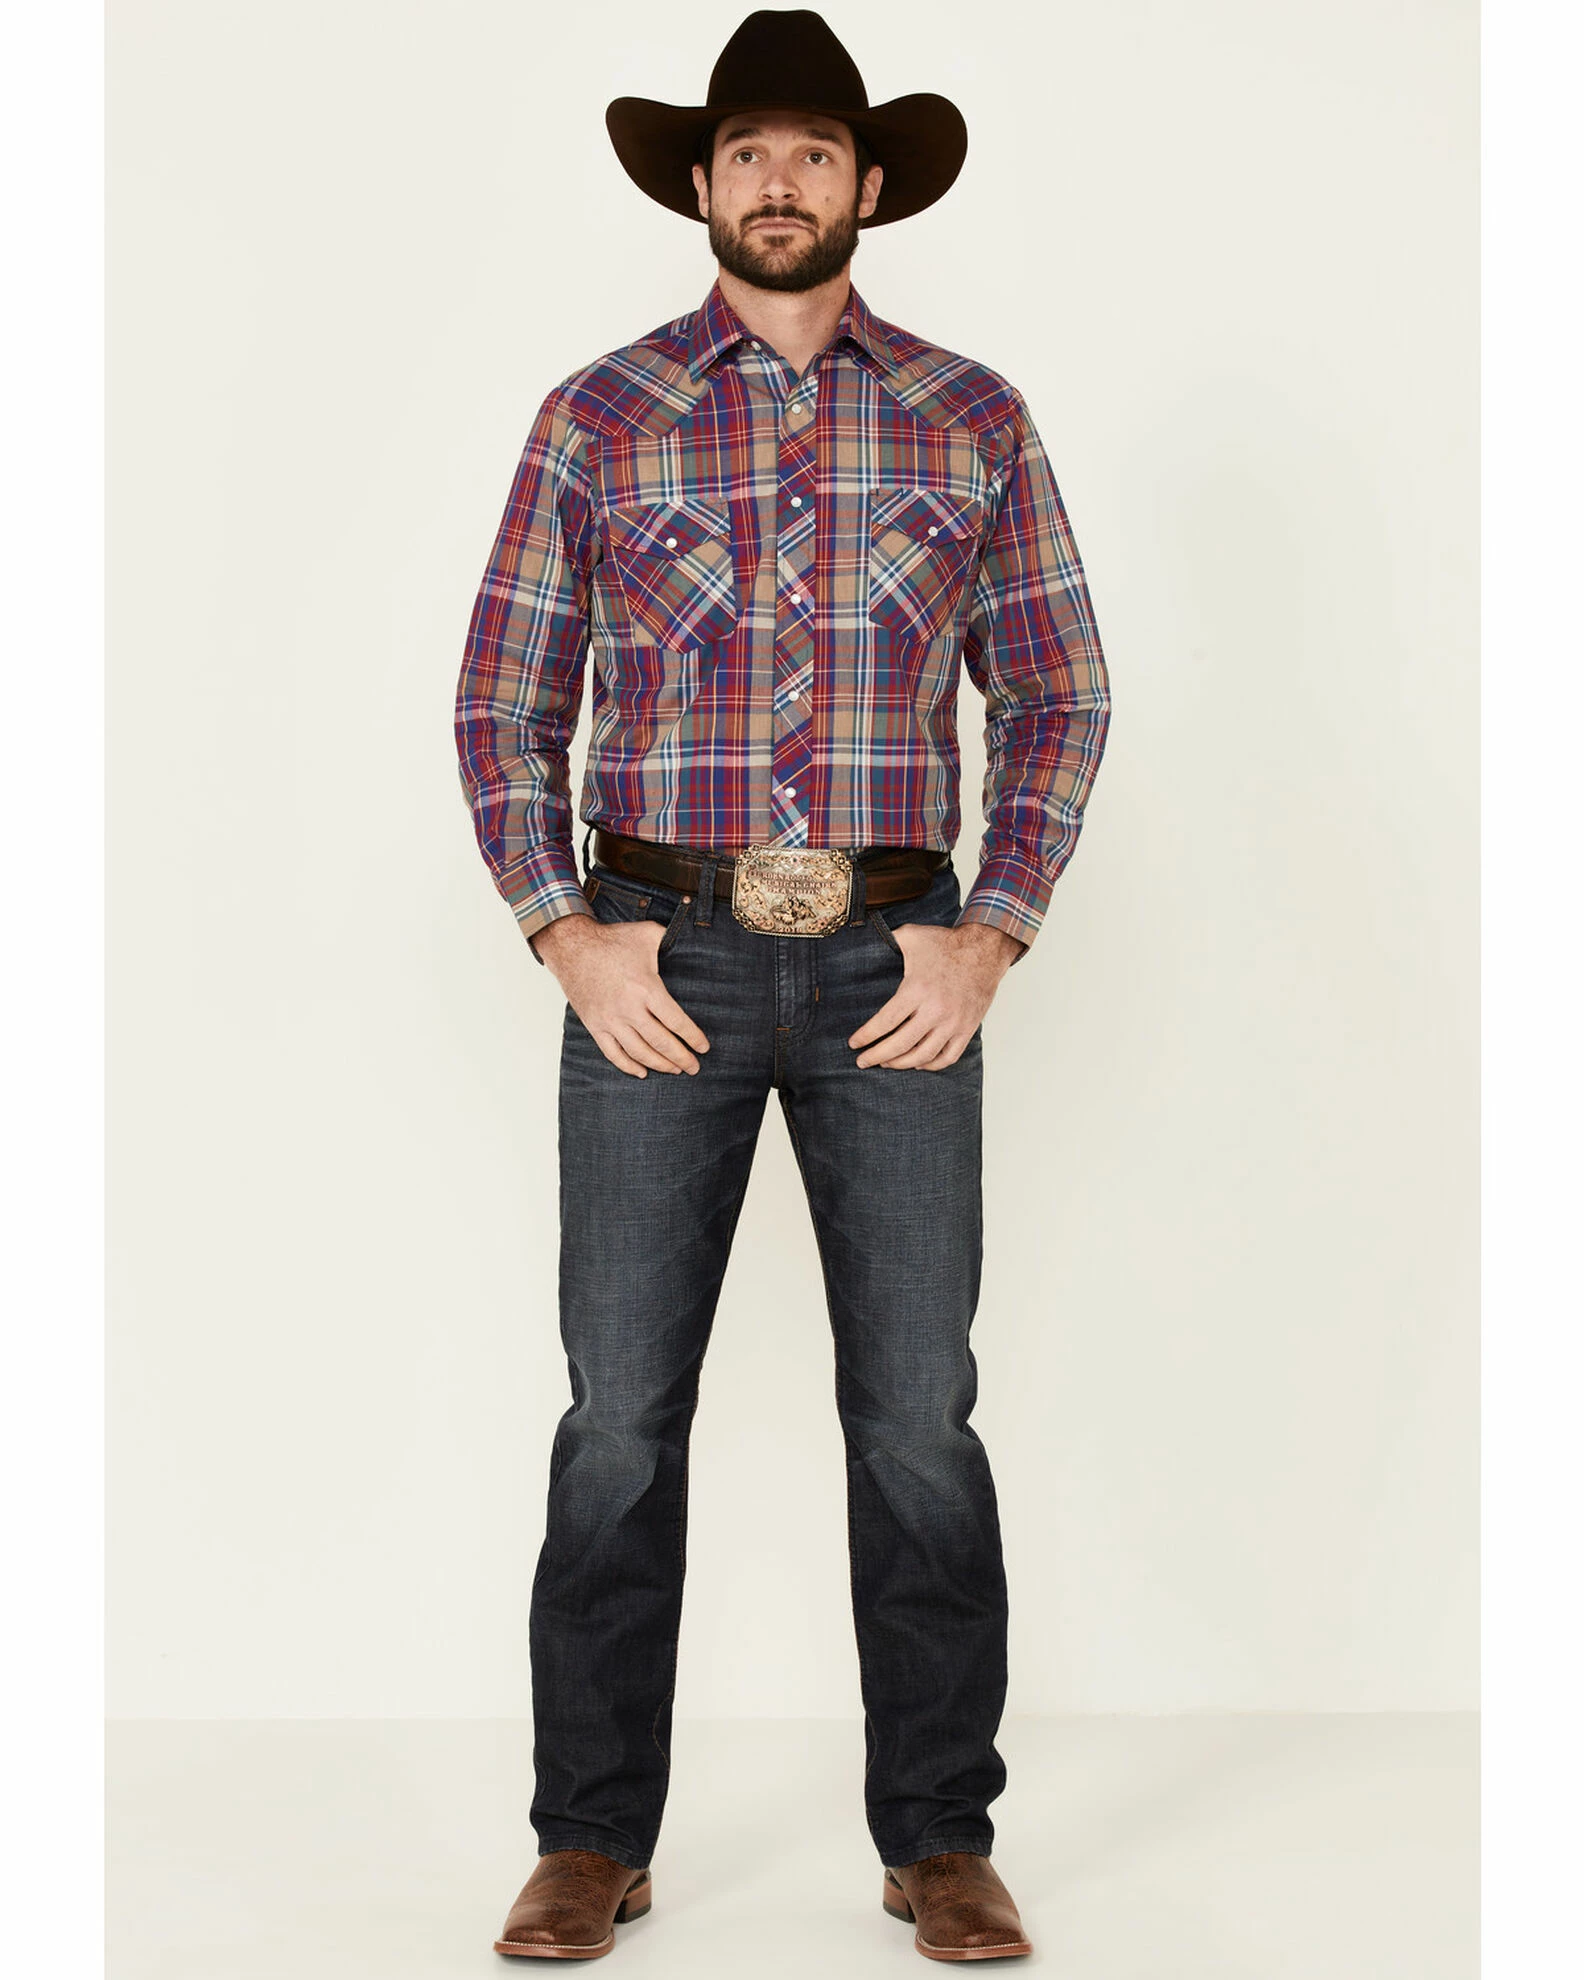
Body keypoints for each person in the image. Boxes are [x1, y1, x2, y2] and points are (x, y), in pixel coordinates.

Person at [454, 8, 1111, 1961]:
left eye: (816, 150)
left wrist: (993, 931)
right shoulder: (599, 415)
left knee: (918, 1417)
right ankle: (592, 1837)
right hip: (657, 962)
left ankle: (940, 1840)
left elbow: (1058, 690)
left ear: (870, 184)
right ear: (700, 180)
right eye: (747, 149)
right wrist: (564, 930)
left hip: (899, 970)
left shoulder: (973, 418)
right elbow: (504, 700)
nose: (779, 179)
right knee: (619, 1419)